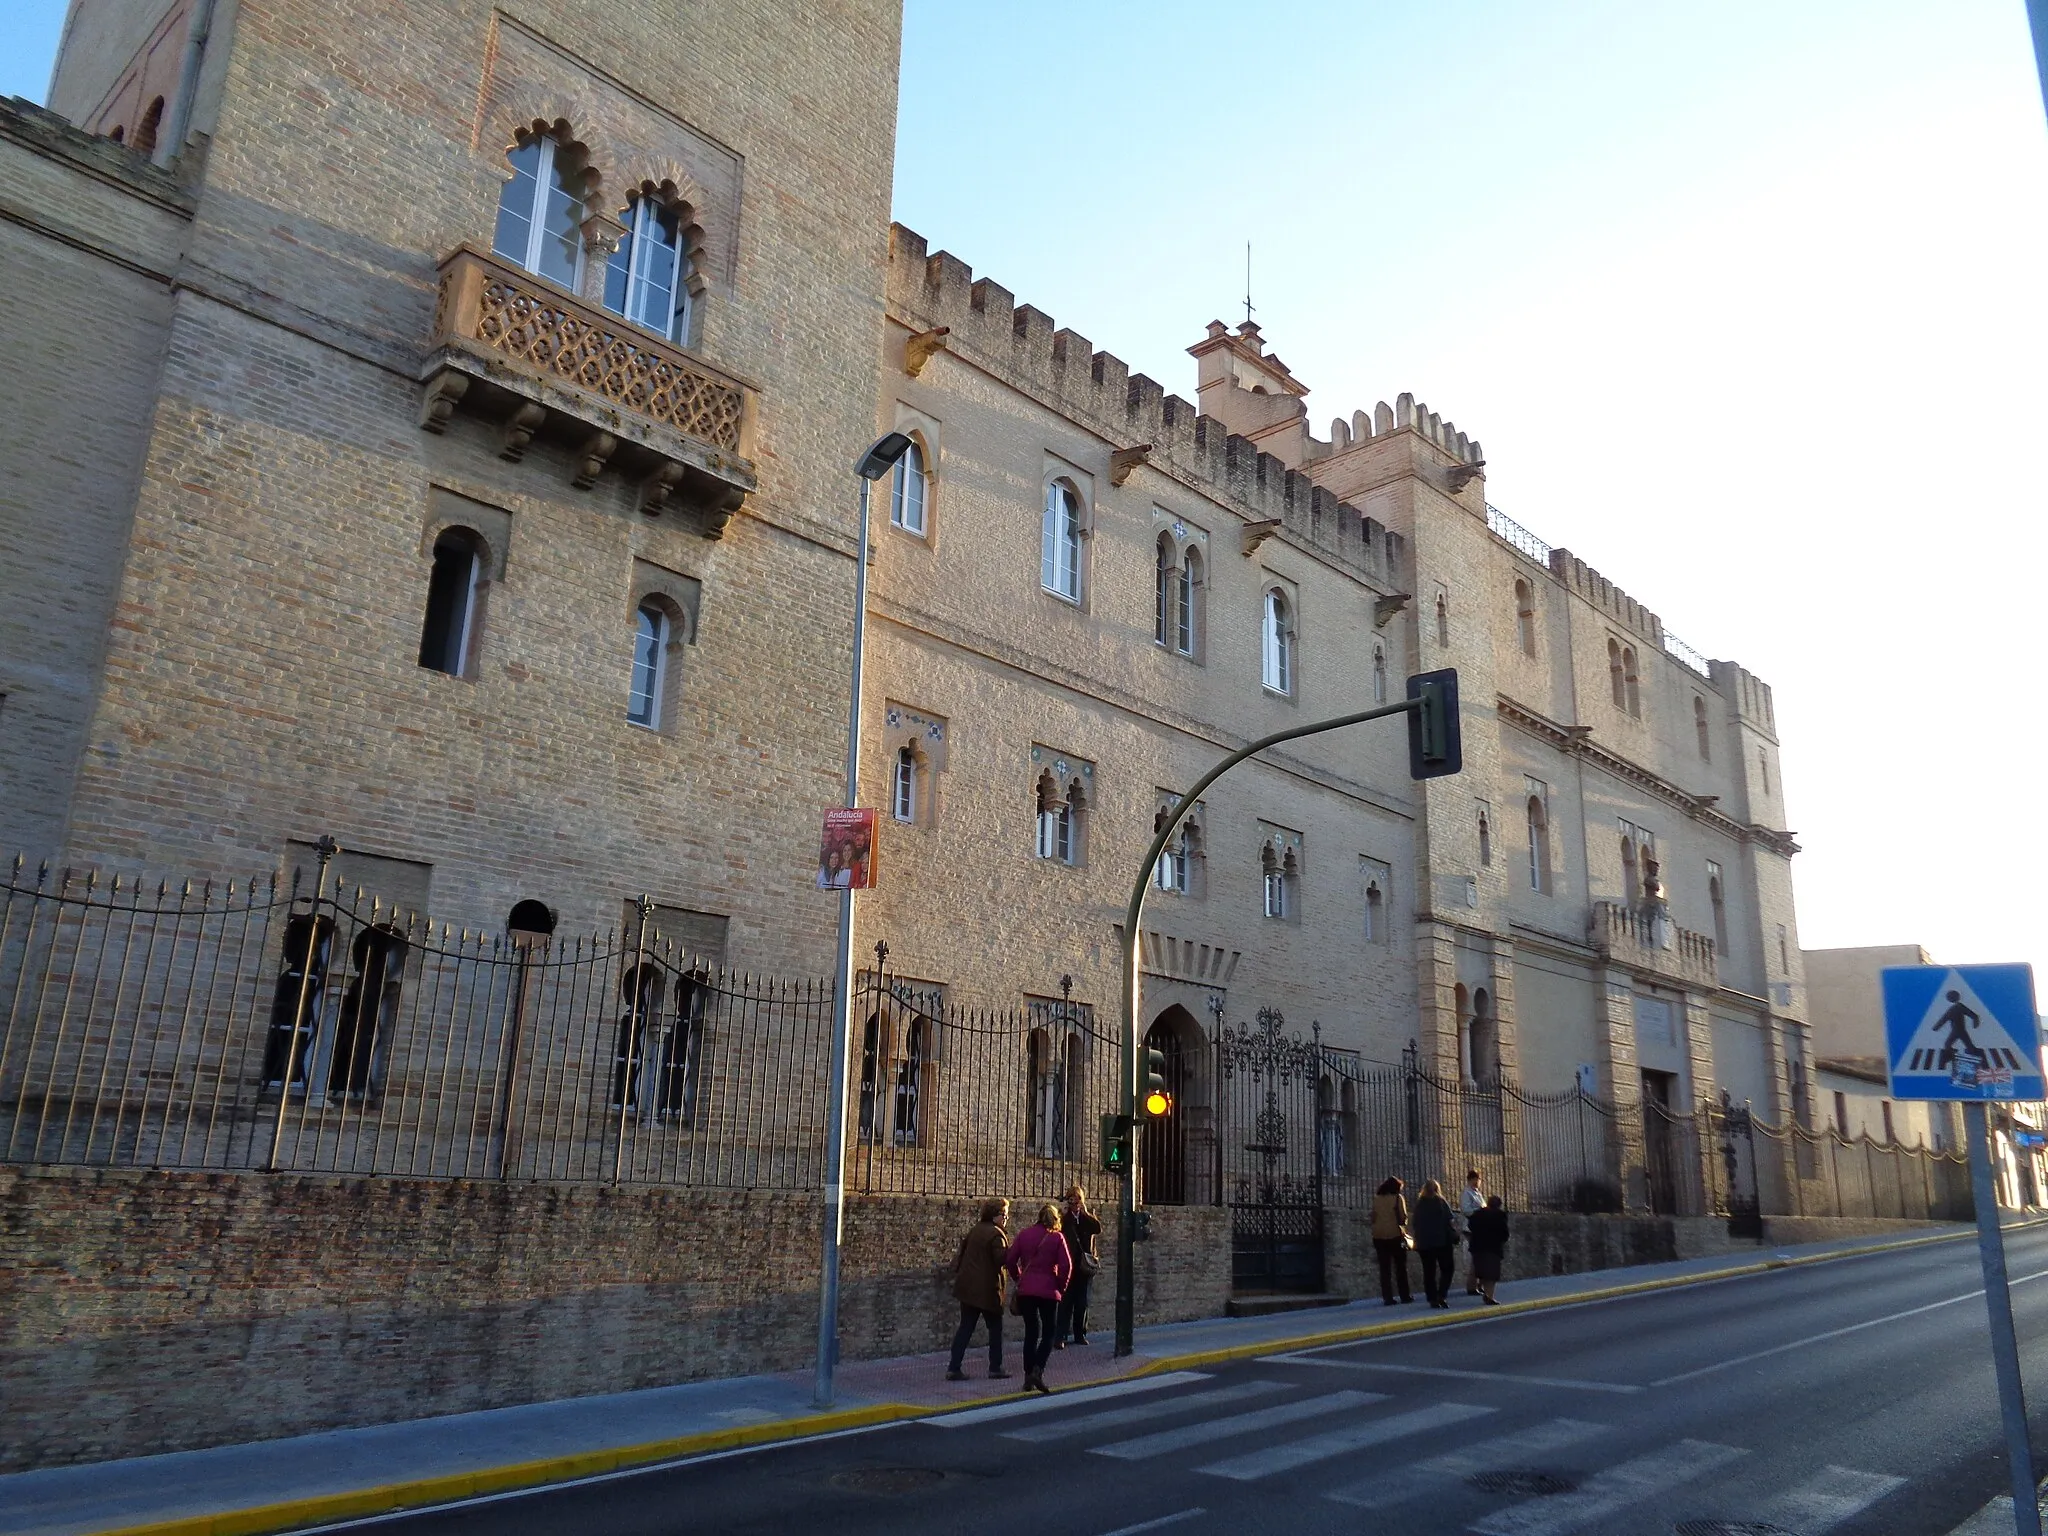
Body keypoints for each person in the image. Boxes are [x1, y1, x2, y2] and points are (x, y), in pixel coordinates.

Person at [1006, 1202, 1072, 1394]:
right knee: (1049, 1331)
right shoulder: (1057, 1237)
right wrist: (1061, 1286)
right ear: (1055, 1219)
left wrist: (1019, 1278)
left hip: (1027, 1290)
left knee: (1031, 1332)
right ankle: (1038, 1369)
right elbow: (1066, 1266)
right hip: (1048, 1290)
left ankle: (1028, 1376)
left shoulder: (1024, 1234)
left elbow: (1010, 1259)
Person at [946, 1198, 1011, 1381]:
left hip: (967, 1288)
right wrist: (1013, 1252)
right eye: (1003, 1215)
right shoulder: (996, 1235)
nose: (1006, 1219)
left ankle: (954, 1367)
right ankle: (995, 1367)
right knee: (995, 1329)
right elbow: (1001, 1260)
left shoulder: (976, 1229)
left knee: (965, 1328)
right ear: (995, 1215)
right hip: (988, 1290)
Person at [1054, 1184, 1102, 1347]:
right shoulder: (1064, 1218)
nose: (1075, 1204)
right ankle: (1060, 1336)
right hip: (1068, 1266)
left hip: (1084, 1266)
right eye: (1072, 1200)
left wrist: (1085, 1212)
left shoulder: (1086, 1218)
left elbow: (1098, 1229)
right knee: (1065, 1302)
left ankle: (1080, 1334)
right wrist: (1065, 1213)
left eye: (1078, 1199)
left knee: (1082, 1303)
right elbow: (1057, 1231)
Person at [1411, 1178, 1458, 1309]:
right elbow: (1450, 1220)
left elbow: (1415, 1223)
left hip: (1424, 1243)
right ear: (1437, 1189)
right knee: (1448, 1269)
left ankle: (1432, 1298)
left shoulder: (1419, 1204)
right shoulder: (1440, 1202)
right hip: (1442, 1241)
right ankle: (1441, 1295)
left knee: (1429, 1271)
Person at [1370, 1175, 1413, 1305]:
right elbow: (1403, 1217)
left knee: (1384, 1269)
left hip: (1378, 1236)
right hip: (1394, 1235)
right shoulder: (1398, 1198)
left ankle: (1387, 1297)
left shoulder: (1377, 1199)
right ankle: (1404, 1295)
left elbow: (1373, 1217)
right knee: (1400, 1267)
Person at [1468, 1193, 1509, 1305]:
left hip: (1478, 1247)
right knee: (1491, 1274)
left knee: (1482, 1271)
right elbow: (1504, 1233)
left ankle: (1484, 1292)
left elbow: (1471, 1226)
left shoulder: (1477, 1214)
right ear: (1499, 1205)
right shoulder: (1500, 1215)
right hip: (1493, 1248)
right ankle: (1489, 1296)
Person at [1459, 1168, 1486, 1296]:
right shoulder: (1467, 1193)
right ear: (1470, 1180)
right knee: (1475, 1259)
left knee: (1481, 1258)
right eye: (1475, 1180)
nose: (1477, 1182)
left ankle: (1479, 1285)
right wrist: (1480, 1212)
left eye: (1478, 1180)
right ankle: (1471, 1286)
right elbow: (1466, 1210)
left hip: (1480, 1228)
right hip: (1471, 1229)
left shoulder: (1478, 1193)